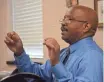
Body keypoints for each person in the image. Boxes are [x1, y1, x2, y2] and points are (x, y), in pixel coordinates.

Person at [4, 5, 103, 82]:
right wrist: (20, 53)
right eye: (64, 19)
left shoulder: (92, 56)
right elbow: (35, 74)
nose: (63, 23)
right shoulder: (64, 53)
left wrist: (56, 64)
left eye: (69, 19)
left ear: (86, 27)